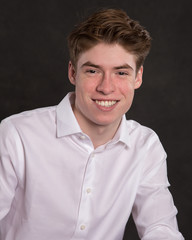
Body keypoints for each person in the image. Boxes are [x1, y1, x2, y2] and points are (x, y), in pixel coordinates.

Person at [0, 8, 184, 240]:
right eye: (93, 70)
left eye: (121, 73)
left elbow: (161, 228)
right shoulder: (16, 135)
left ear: (138, 77)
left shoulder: (145, 145)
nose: (106, 87)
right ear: (73, 72)